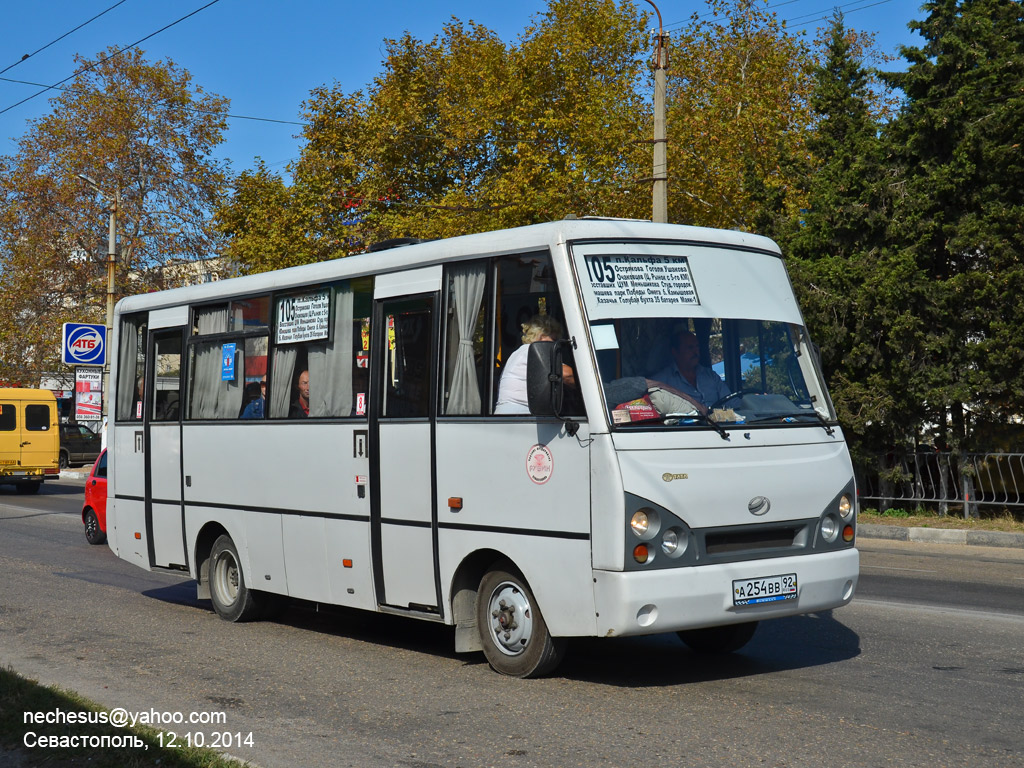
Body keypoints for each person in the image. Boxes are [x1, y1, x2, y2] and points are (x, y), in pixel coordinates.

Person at [495, 315, 574, 414]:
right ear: (541, 336)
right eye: (553, 340)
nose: (555, 345)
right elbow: (567, 375)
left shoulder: (520, 352)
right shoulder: (533, 351)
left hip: (514, 415)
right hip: (519, 416)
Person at [651, 329, 730, 408]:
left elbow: (732, 402)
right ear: (675, 352)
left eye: (697, 347)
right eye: (690, 348)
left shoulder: (711, 376)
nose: (696, 352)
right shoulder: (662, 381)